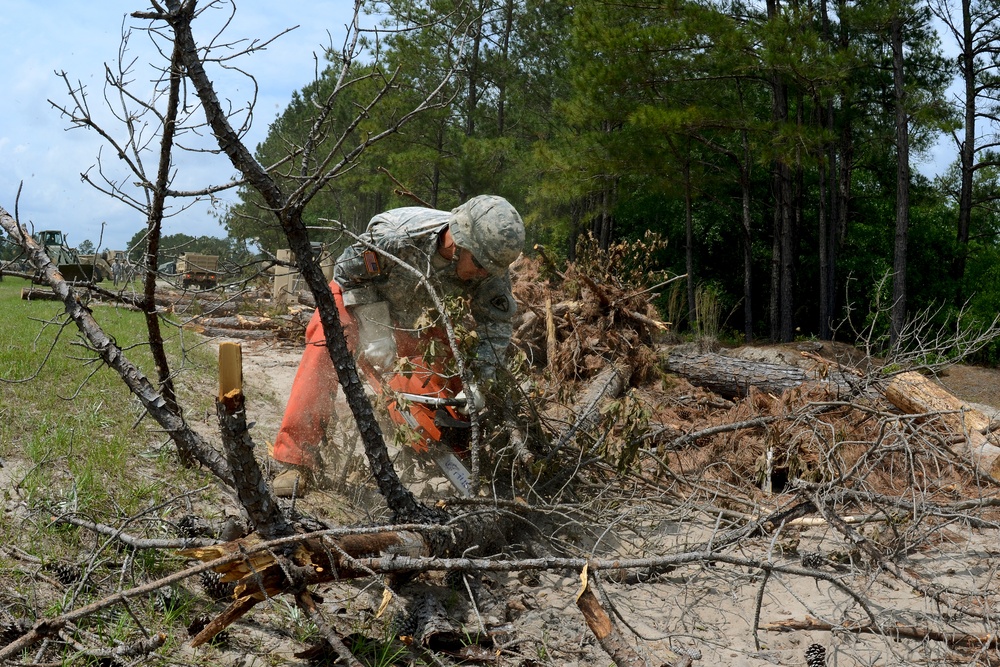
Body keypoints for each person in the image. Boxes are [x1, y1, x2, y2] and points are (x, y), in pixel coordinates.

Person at [271, 195, 526, 496]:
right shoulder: (397, 236)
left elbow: (494, 325)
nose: (484, 275)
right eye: (481, 265)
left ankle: (451, 456)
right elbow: (347, 274)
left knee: (445, 384)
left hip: (417, 318)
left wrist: (479, 381)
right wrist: (376, 329)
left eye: (491, 270)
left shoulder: (490, 262)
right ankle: (294, 459)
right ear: (460, 240)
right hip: (360, 299)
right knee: (329, 340)